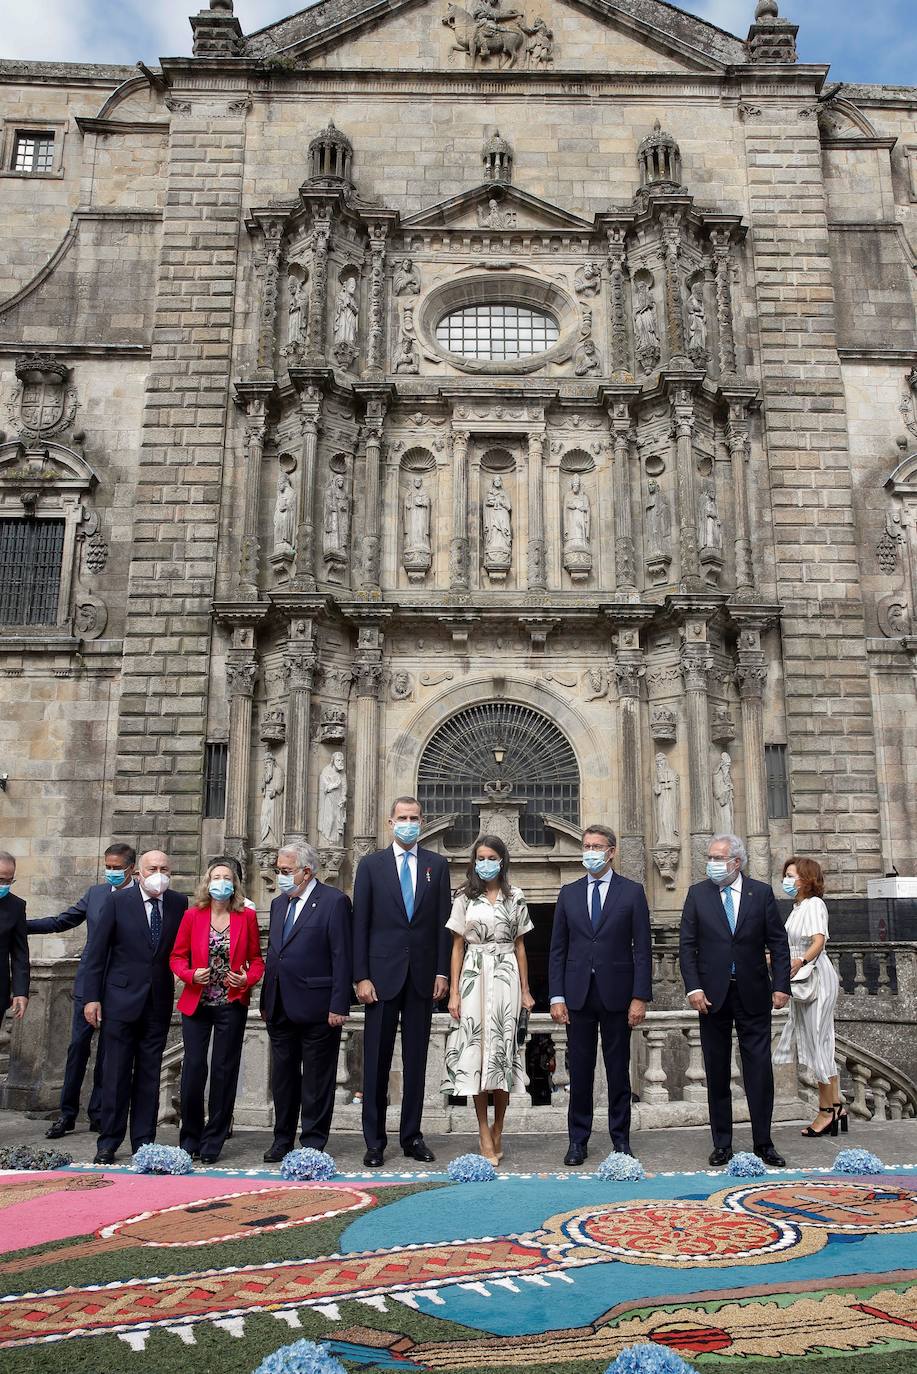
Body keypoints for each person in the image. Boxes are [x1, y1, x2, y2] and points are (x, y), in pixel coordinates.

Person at [679, 833, 791, 1168]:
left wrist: (781, 985)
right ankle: (722, 1143)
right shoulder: (697, 894)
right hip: (711, 996)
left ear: (736, 862)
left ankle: (764, 1142)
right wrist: (693, 988)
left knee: (758, 1070)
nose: (711, 864)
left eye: (717, 858)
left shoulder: (760, 893)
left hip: (753, 992)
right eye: (710, 857)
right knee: (716, 1069)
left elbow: (778, 943)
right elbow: (687, 946)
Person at [353, 796, 451, 1166]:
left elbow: (444, 924)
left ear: (422, 822)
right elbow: (359, 924)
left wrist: (442, 971)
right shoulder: (371, 865)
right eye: (402, 818)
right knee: (375, 1062)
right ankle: (375, 1142)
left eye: (414, 817)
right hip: (379, 978)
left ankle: (412, 1136)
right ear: (389, 822)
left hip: (423, 979)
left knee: (416, 1062)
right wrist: (360, 976)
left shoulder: (436, 866)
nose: (408, 823)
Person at [549, 824, 652, 1166]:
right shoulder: (569, 893)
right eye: (586, 845)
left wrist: (640, 997)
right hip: (578, 995)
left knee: (618, 1071)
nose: (590, 852)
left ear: (611, 852)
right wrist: (556, 996)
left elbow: (642, 949)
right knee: (579, 1072)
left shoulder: (632, 892)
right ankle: (577, 1141)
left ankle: (621, 1141)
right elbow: (558, 950)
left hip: (618, 996)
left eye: (597, 846)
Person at [81, 850, 188, 1164]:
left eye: (164, 868)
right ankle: (108, 1142)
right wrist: (91, 997)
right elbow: (96, 953)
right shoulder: (117, 902)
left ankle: (144, 1141)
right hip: (119, 1000)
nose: (159, 873)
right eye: (152, 868)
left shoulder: (178, 903)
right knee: (115, 1073)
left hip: (157, 1001)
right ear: (138, 873)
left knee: (149, 1074)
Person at [26, 843, 136, 1139]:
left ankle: (99, 1113)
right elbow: (63, 920)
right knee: (77, 1048)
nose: (111, 872)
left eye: (116, 868)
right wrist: (20, 926)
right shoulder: (96, 894)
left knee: (109, 1053)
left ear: (131, 869)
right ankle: (67, 1113)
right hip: (89, 981)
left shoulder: (140, 897)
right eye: (108, 867)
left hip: (121, 985)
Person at [443, 835, 535, 1164]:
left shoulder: (516, 897)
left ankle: (499, 1127)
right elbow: (456, 947)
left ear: (502, 860)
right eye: (480, 857)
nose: (485, 862)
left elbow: (522, 946)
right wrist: (454, 992)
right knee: (477, 1054)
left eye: (491, 856)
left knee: (503, 1053)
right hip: (473, 976)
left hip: (507, 975)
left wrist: (525, 989)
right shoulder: (464, 898)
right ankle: (482, 1130)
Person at [260, 843, 353, 1162]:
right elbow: (276, 953)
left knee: (317, 1079)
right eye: (278, 871)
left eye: (285, 872)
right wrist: (265, 998)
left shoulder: (334, 901)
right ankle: (282, 1139)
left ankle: (313, 1141)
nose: (280, 877)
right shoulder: (277, 904)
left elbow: (342, 956)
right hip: (279, 1004)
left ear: (307, 872)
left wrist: (339, 1004)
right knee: (282, 1078)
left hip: (318, 1005)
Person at [170, 861, 264, 1163]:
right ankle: (190, 1139)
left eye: (226, 878)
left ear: (234, 884)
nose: (221, 882)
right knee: (194, 1069)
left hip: (230, 1003)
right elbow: (176, 957)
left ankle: (214, 1140)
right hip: (197, 1004)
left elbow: (257, 960)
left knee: (224, 1071)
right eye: (216, 877)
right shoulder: (192, 916)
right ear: (207, 883)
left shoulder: (246, 916)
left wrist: (246, 979)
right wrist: (189, 975)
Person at [774, 856, 846, 1138]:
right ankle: (837, 1104)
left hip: (816, 976)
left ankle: (826, 1111)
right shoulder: (797, 908)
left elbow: (819, 940)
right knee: (820, 1039)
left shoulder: (814, 904)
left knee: (818, 1039)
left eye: (792, 875)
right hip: (804, 975)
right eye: (786, 875)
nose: (787, 880)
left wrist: (800, 961)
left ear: (806, 879)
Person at [0, 850, 29, 1025]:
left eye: (8, 881)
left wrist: (20, 991)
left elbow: (20, 953)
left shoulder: (16, 906)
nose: (3, 885)